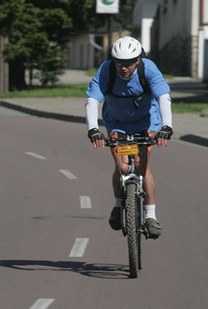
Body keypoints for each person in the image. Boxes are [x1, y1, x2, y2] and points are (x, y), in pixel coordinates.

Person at [85, 36, 173, 239]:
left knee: (143, 166)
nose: (123, 68)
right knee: (122, 166)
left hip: (146, 122)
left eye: (128, 63)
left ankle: (151, 216)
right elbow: (91, 101)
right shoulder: (106, 70)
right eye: (119, 63)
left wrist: (166, 126)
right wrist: (93, 129)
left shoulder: (148, 69)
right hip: (117, 122)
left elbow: (163, 98)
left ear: (138, 60)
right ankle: (118, 206)